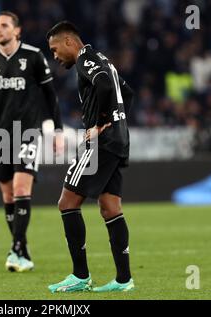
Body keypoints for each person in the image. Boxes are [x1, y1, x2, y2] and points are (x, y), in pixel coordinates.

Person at [0, 11, 64, 272]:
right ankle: (21, 246)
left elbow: (50, 95)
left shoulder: (33, 57)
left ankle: (16, 249)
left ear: (17, 31)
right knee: (8, 195)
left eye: (4, 25)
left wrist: (57, 130)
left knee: (22, 189)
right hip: (0, 136)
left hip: (27, 131)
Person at [46, 21, 135, 292]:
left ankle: (80, 276)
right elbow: (127, 93)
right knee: (110, 207)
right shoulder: (104, 59)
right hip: (118, 139)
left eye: (54, 49)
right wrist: (118, 121)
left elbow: (106, 85)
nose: (54, 56)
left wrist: (99, 122)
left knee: (66, 203)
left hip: (102, 142)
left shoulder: (86, 59)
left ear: (69, 42)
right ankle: (123, 280)